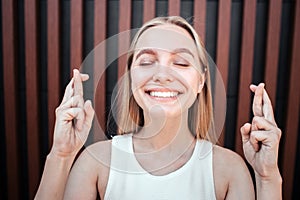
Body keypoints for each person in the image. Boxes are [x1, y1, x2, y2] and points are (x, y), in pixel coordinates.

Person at [35, 16, 282, 200]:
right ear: (131, 77)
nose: (162, 74)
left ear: (201, 81)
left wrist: (267, 177)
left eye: (181, 62)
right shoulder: (96, 162)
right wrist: (61, 155)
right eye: (147, 61)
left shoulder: (229, 170)